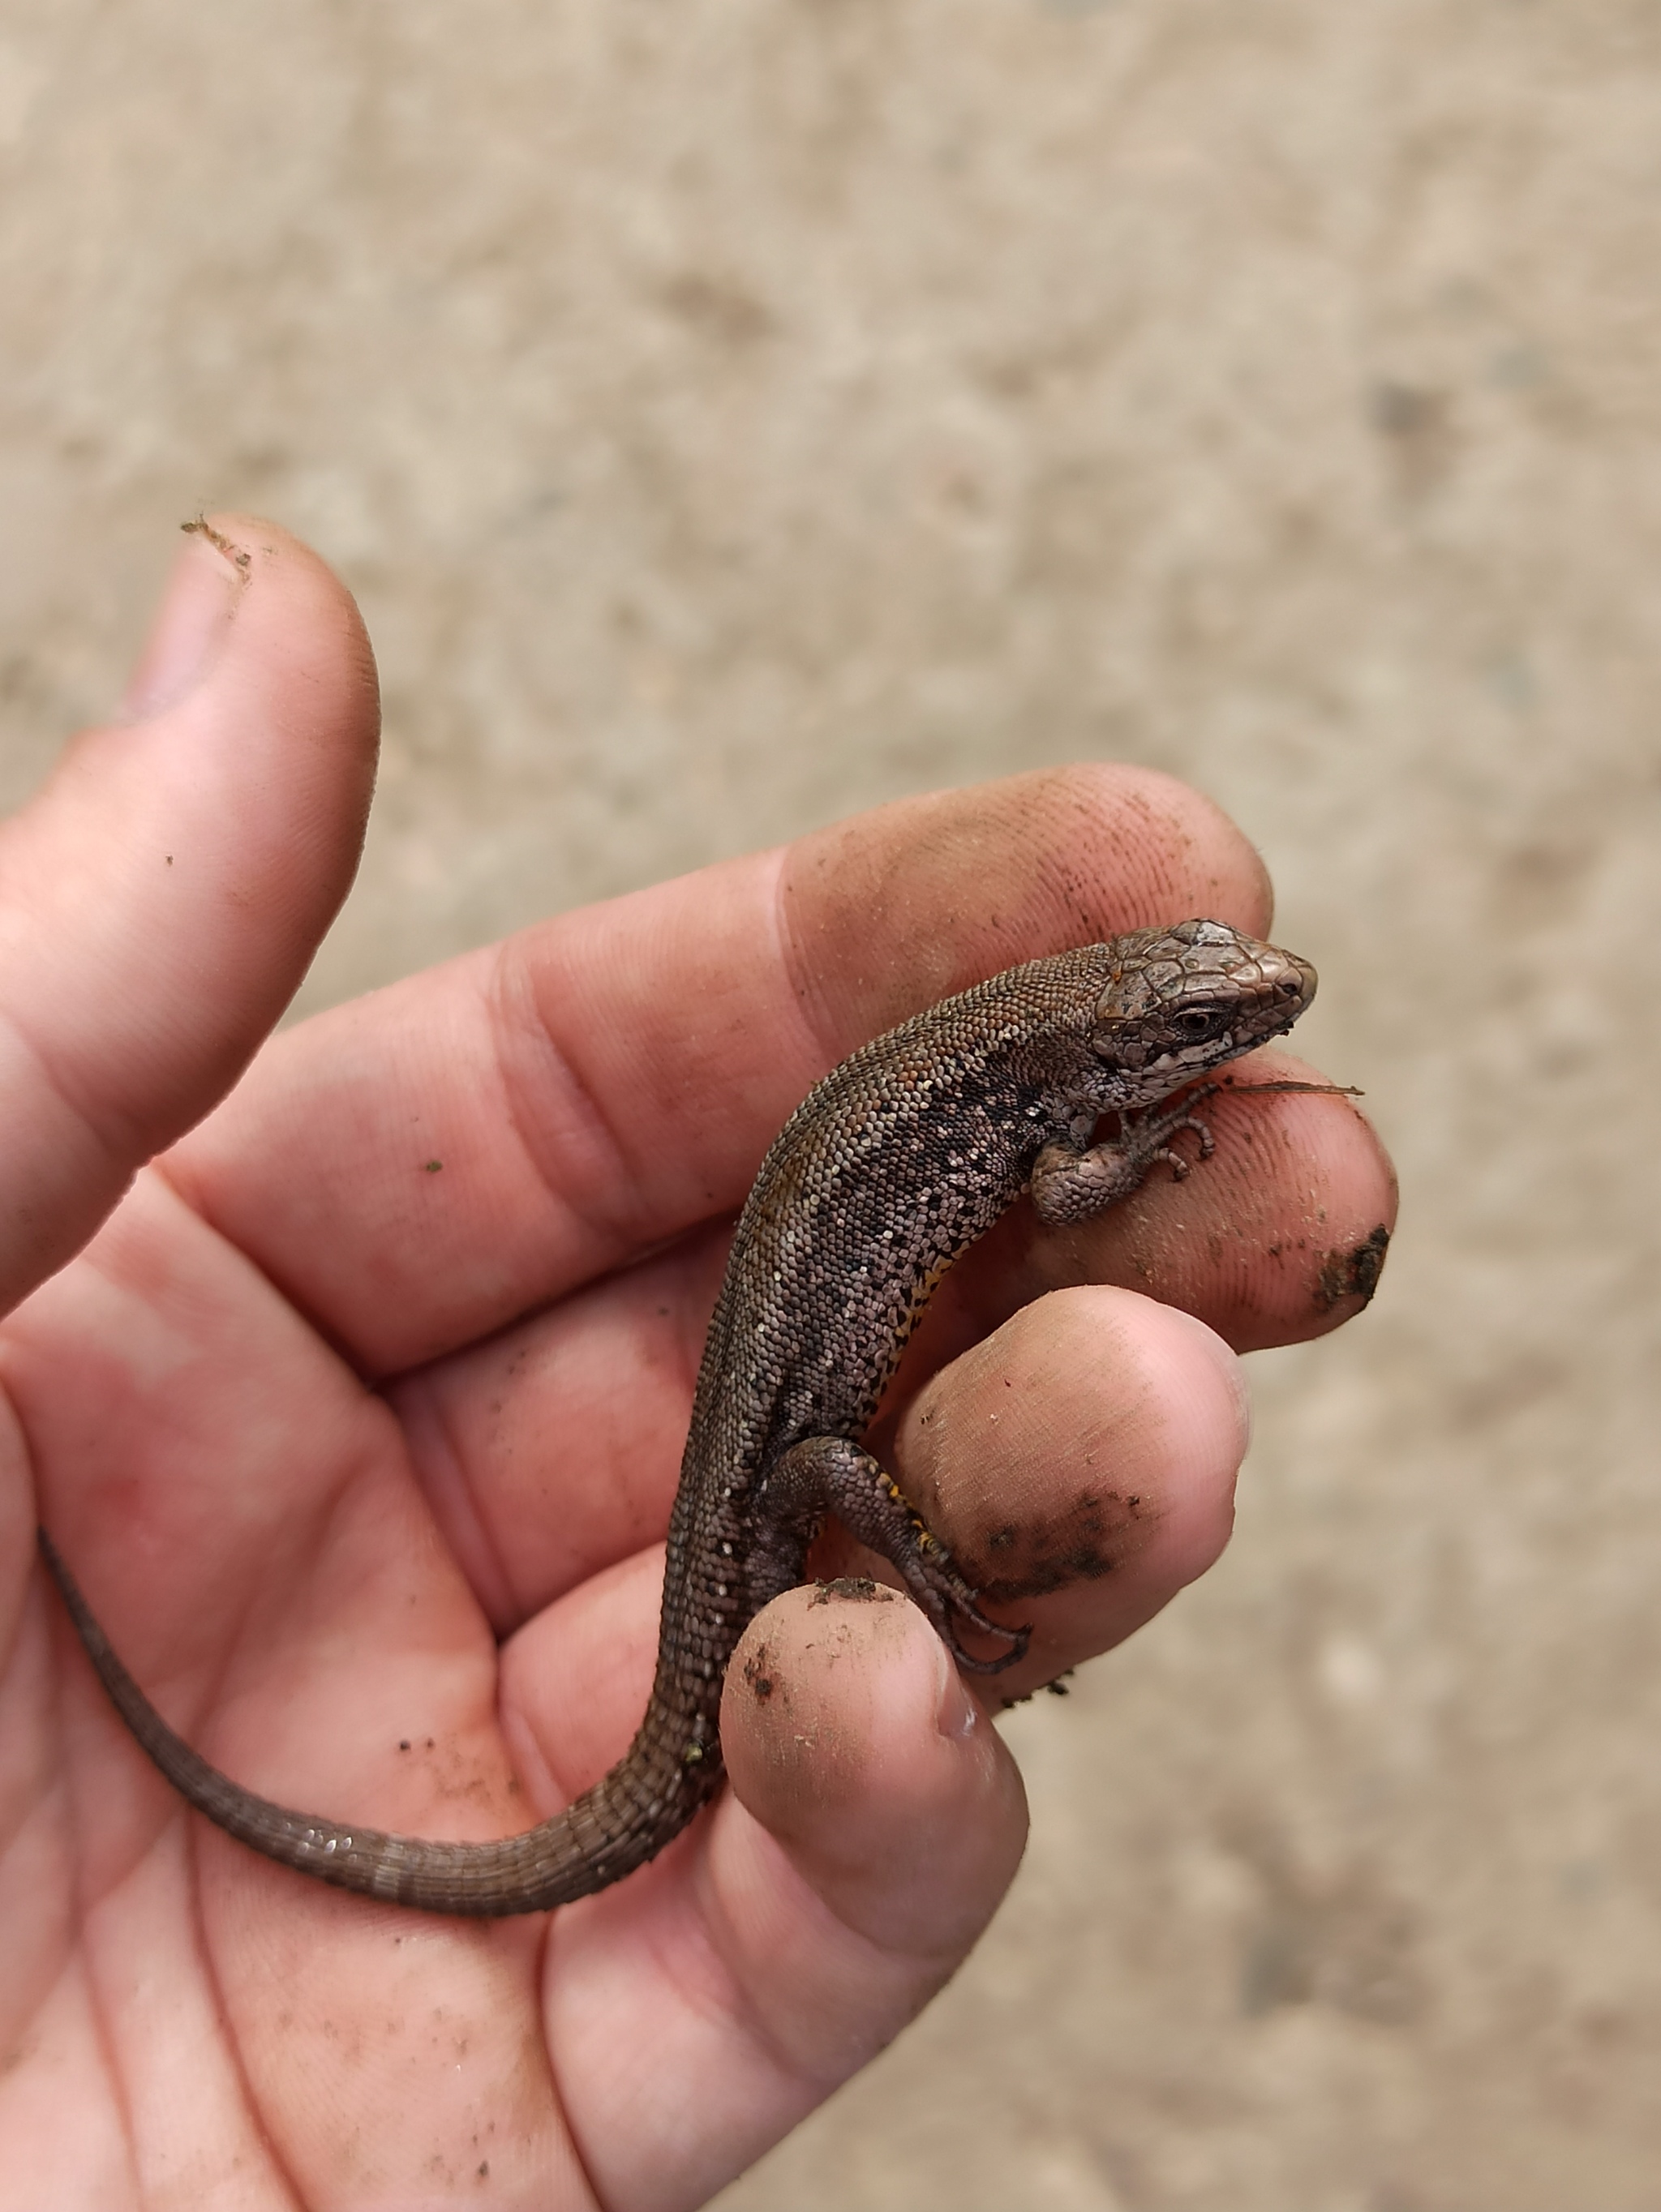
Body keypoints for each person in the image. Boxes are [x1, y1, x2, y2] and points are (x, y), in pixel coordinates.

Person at [0, 517, 1395, 2207]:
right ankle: (931, 1577)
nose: (1244, 1018)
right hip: (778, 1459)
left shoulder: (1044, 1056)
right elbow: (1063, 1177)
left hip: (777, 1398)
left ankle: (924, 1580)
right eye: (1200, 1025)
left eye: (1220, 1016)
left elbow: (1059, 1147)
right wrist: (1140, 1149)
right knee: (849, 1499)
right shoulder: (1046, 1100)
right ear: (1114, 1031)